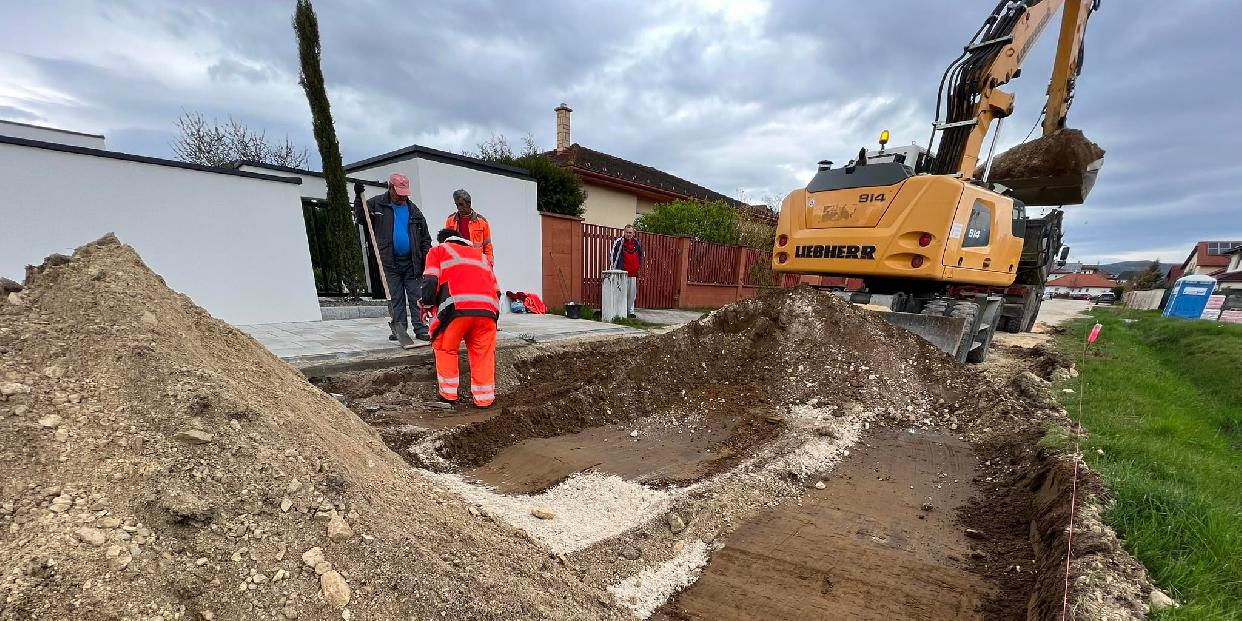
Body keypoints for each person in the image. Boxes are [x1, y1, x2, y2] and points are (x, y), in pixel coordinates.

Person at [420, 228, 500, 408]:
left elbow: (431, 281)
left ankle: (448, 396)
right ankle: (484, 399)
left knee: (445, 347)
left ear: (443, 240)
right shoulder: (481, 257)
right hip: (487, 312)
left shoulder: (438, 250)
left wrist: (426, 304)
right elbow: (497, 290)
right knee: (483, 354)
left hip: (456, 310)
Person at [354, 173, 432, 345]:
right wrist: (358, 198)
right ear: (390, 188)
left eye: (405, 193)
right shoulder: (377, 204)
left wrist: (426, 256)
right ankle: (400, 329)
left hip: (413, 262)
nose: (402, 196)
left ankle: (421, 329)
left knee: (416, 296)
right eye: (399, 193)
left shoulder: (414, 210)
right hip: (389, 262)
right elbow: (361, 217)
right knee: (395, 297)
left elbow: (425, 237)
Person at [444, 189, 494, 264]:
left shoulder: (482, 221)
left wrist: (489, 263)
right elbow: (446, 243)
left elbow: (487, 245)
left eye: (461, 204)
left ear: (469, 203)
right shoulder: (450, 220)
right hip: (457, 261)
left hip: (476, 261)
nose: (459, 208)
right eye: (457, 205)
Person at [608, 224, 643, 318]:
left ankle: (630, 312)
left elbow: (641, 255)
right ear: (624, 232)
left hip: (633, 273)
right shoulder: (619, 242)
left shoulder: (637, 243)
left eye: (630, 232)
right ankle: (620, 312)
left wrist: (638, 266)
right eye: (627, 232)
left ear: (633, 233)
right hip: (622, 273)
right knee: (621, 293)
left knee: (632, 294)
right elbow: (613, 256)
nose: (628, 234)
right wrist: (613, 270)